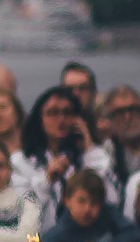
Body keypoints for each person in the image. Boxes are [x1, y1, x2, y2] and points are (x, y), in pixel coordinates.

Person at [12, 85, 117, 225]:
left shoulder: (91, 157)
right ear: (40, 119)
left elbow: (112, 200)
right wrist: (47, 179)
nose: (61, 119)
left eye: (68, 113)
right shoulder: (21, 161)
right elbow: (22, 212)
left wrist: (88, 145)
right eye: (53, 113)